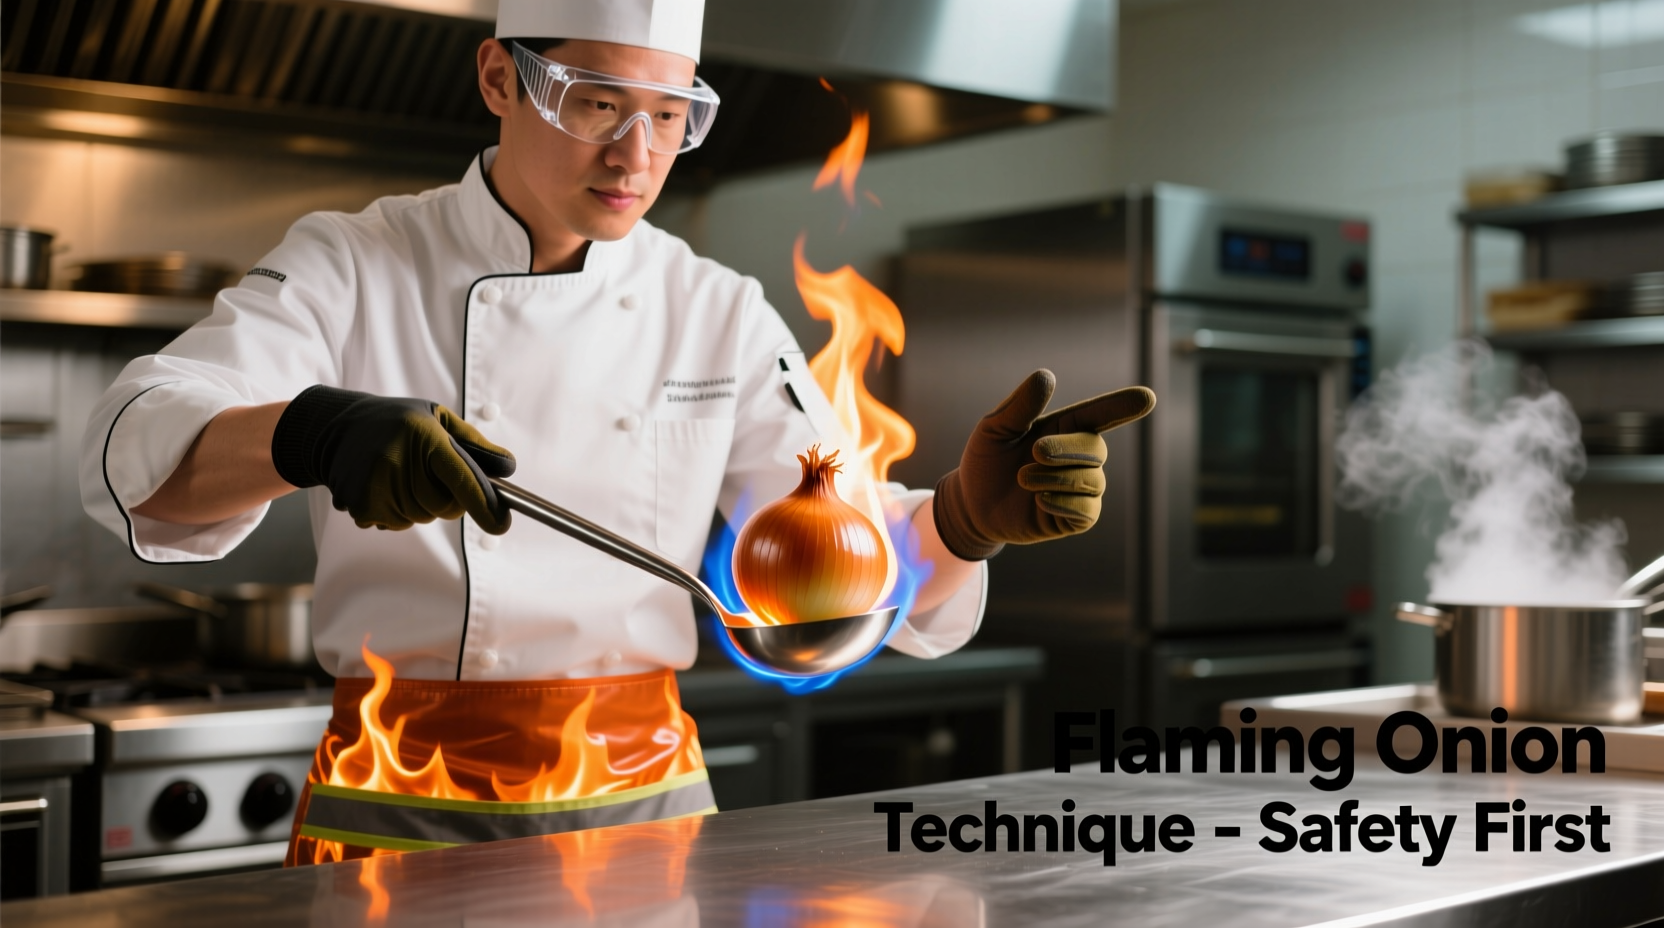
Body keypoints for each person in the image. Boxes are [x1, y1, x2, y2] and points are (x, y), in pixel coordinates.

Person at [79, 0, 1154, 865]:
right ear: (499, 79)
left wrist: (962, 521)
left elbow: (832, 560)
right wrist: (309, 433)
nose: (635, 154)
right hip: (395, 795)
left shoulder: (716, 309)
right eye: (595, 102)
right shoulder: (355, 262)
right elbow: (138, 446)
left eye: (671, 114)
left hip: (642, 808)